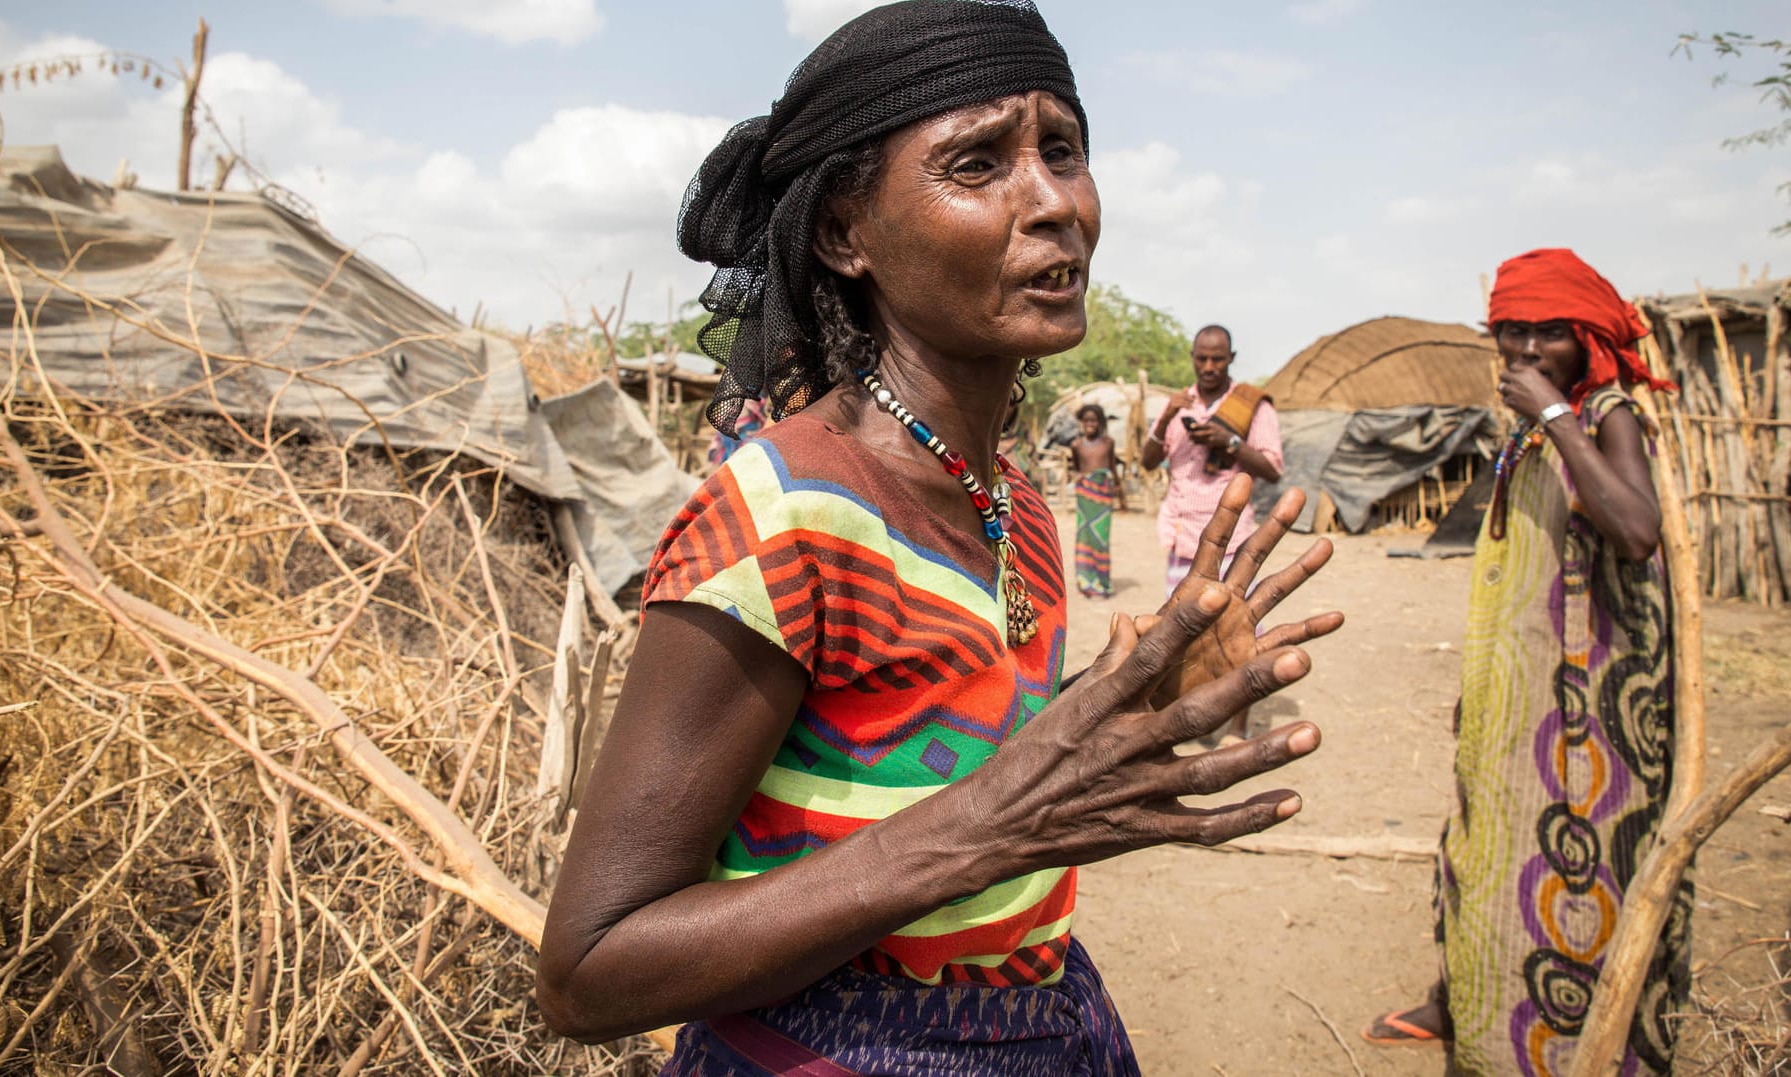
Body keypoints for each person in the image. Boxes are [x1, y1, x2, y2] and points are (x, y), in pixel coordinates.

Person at [535, 3, 1345, 1072]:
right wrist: (987, 827)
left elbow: (932, 765)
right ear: (845, 234)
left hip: (1047, 1019)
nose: (1055, 201)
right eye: (978, 165)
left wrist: (1134, 704)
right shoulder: (783, 516)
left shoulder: (1015, 501)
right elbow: (590, 970)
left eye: (1063, 149)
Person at [1365, 249, 1686, 1076]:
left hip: (1589, 712)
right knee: (1482, 847)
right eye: (1515, 330)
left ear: (1588, 337)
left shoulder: (1605, 412)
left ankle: (1572, 1038)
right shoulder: (1534, 424)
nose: (1531, 349)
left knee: (1579, 870)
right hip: (1523, 698)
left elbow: (1636, 529)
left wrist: (1554, 416)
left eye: (1553, 332)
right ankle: (1470, 998)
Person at [1142, 325, 1283, 598]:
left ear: (1231, 357)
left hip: (1231, 541)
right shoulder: (1178, 404)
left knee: (1234, 630)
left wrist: (1229, 442)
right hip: (1182, 539)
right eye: (1201, 358)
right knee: (1179, 629)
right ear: (1192, 356)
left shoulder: (1252, 406)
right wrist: (1167, 416)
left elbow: (1273, 470)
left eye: (1217, 359)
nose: (1209, 367)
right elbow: (1147, 462)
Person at [1069, 402, 1124, 598]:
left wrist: (1117, 486)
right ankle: (1086, 581)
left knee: (1101, 538)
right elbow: (1077, 467)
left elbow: (1111, 466)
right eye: (1086, 420)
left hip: (1103, 494)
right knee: (1085, 536)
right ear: (1082, 423)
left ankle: (1102, 581)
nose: (1090, 424)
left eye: (1093, 420)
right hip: (1085, 496)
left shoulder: (1108, 442)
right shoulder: (1076, 445)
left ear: (1100, 422)